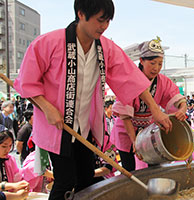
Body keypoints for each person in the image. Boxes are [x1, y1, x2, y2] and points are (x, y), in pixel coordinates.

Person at [13, 1, 172, 199]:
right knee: (65, 182)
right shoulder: (48, 42)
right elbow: (27, 82)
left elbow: (131, 77)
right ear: (81, 14)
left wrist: (155, 110)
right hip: (57, 128)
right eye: (100, 20)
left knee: (87, 179)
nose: (104, 26)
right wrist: (47, 108)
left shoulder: (106, 47)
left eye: (107, 21)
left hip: (85, 126)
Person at [111, 37, 187, 171]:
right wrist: (134, 141)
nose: (156, 68)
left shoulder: (162, 81)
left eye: (159, 63)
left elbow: (175, 97)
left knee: (155, 163)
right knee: (129, 168)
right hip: (127, 129)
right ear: (141, 61)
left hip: (148, 129)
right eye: (152, 63)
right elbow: (126, 117)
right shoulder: (129, 79)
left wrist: (182, 108)